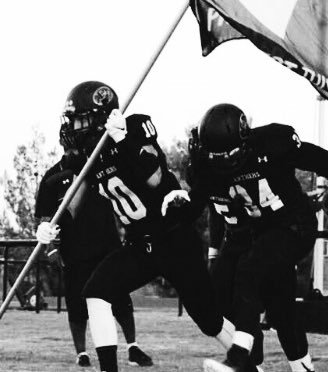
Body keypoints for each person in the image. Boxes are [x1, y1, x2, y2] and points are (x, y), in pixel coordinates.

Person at [35, 81, 233, 372]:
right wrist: (50, 226)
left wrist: (122, 140)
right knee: (96, 292)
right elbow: (71, 200)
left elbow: (154, 178)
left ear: (100, 116)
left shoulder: (135, 128)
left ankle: (249, 365)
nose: (73, 127)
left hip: (174, 238)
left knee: (209, 320)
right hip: (140, 244)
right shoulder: (89, 153)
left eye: (80, 120)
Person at [177, 103, 328, 372]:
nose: (223, 160)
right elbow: (206, 206)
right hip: (248, 233)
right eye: (216, 156)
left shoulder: (271, 144)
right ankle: (290, 365)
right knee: (234, 295)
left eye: (229, 153)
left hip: (292, 226)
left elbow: (325, 160)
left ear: (244, 141)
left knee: (250, 269)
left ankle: (240, 357)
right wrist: (178, 203)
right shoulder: (202, 165)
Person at [35, 86, 147, 367]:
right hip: (75, 251)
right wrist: (48, 238)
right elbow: (46, 216)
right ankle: (82, 352)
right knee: (79, 304)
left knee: (119, 299)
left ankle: (132, 346)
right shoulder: (52, 178)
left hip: (108, 244)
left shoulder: (104, 161)